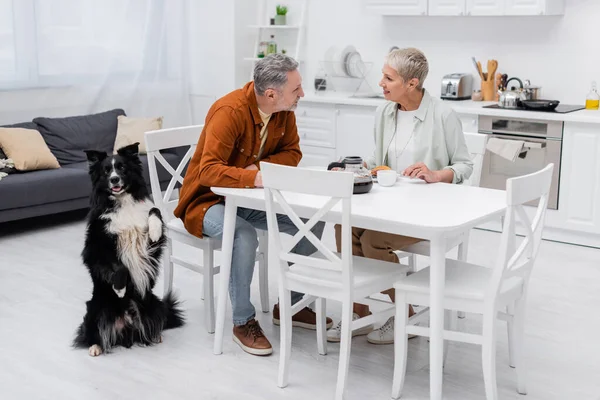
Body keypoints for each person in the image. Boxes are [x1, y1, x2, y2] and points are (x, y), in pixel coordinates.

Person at [174, 54, 331, 356]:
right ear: (272, 94)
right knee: (242, 235)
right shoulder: (229, 111)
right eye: (297, 88)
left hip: (248, 198)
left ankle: (292, 306)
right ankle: (242, 321)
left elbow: (293, 153)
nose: (302, 94)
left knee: (312, 220)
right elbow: (207, 172)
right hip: (206, 201)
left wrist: (256, 170)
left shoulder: (284, 110)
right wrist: (255, 177)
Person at [327, 47, 473, 345]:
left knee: (372, 240)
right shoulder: (385, 111)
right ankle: (358, 311)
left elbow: (464, 166)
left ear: (412, 83)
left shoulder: (443, 115)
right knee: (344, 227)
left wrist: (435, 174)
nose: (381, 82)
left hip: (430, 212)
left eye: (388, 78)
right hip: (387, 205)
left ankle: (404, 312)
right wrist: (355, 168)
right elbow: (379, 158)